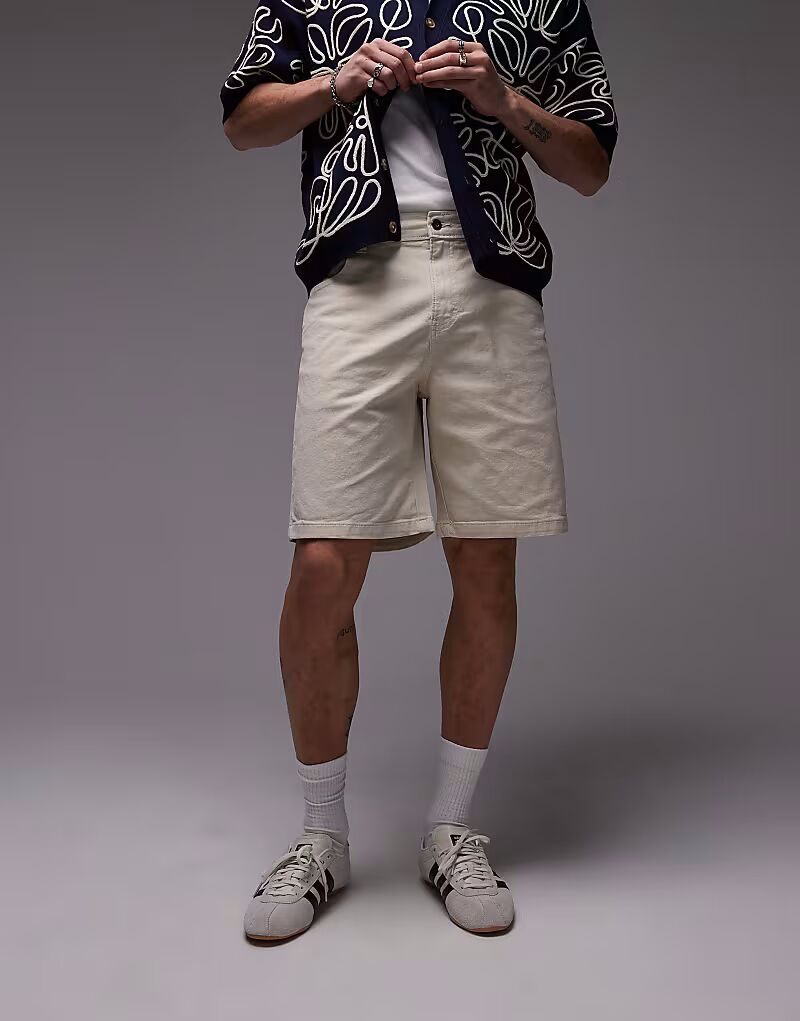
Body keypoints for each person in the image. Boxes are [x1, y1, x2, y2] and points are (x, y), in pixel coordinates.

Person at [220, 0, 618, 939]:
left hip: (493, 284)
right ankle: (322, 835)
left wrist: (501, 96)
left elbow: (589, 164)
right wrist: (334, 83)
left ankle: (451, 827)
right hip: (359, 283)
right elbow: (243, 121)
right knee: (324, 562)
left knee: (485, 561)